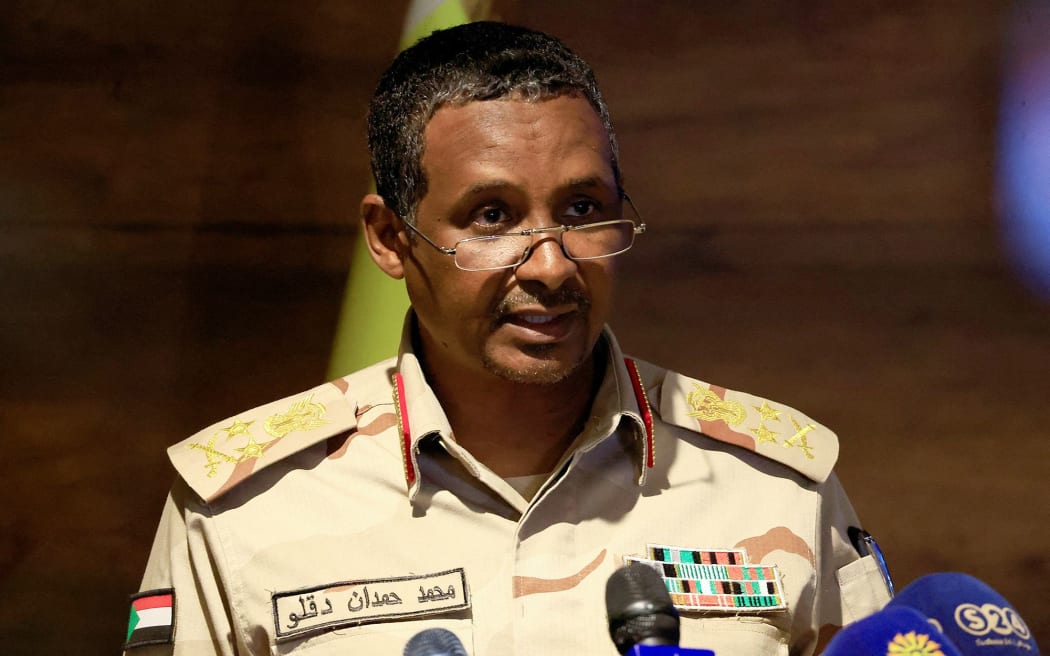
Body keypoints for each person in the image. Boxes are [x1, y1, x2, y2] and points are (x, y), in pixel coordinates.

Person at [125, 22, 891, 656]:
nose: (553, 264)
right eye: (492, 216)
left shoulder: (776, 484)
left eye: (584, 207)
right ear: (391, 237)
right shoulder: (244, 505)